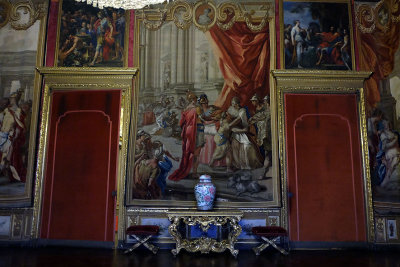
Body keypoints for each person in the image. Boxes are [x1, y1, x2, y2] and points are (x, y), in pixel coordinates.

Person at [169, 91, 203, 181]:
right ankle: (194, 172)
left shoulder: (186, 109)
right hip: (197, 131)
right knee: (196, 153)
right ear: (194, 99)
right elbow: (203, 119)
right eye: (195, 98)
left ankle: (186, 169)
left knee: (187, 152)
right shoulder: (197, 108)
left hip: (187, 131)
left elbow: (181, 123)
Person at [227, 97, 263, 170]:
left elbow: (238, 120)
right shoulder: (231, 110)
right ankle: (238, 165)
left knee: (247, 146)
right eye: (232, 104)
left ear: (238, 104)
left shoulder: (242, 111)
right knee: (234, 145)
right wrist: (230, 127)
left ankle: (247, 165)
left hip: (243, 131)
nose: (234, 106)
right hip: (234, 132)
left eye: (235, 104)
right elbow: (228, 118)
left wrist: (230, 126)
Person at [0, 92, 26, 183]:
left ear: (16, 99)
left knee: (5, 156)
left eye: (12, 98)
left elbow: (21, 126)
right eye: (10, 98)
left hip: (10, 136)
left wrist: (15, 117)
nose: (10, 99)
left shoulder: (18, 111)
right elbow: (2, 121)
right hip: (2, 134)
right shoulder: (6, 110)